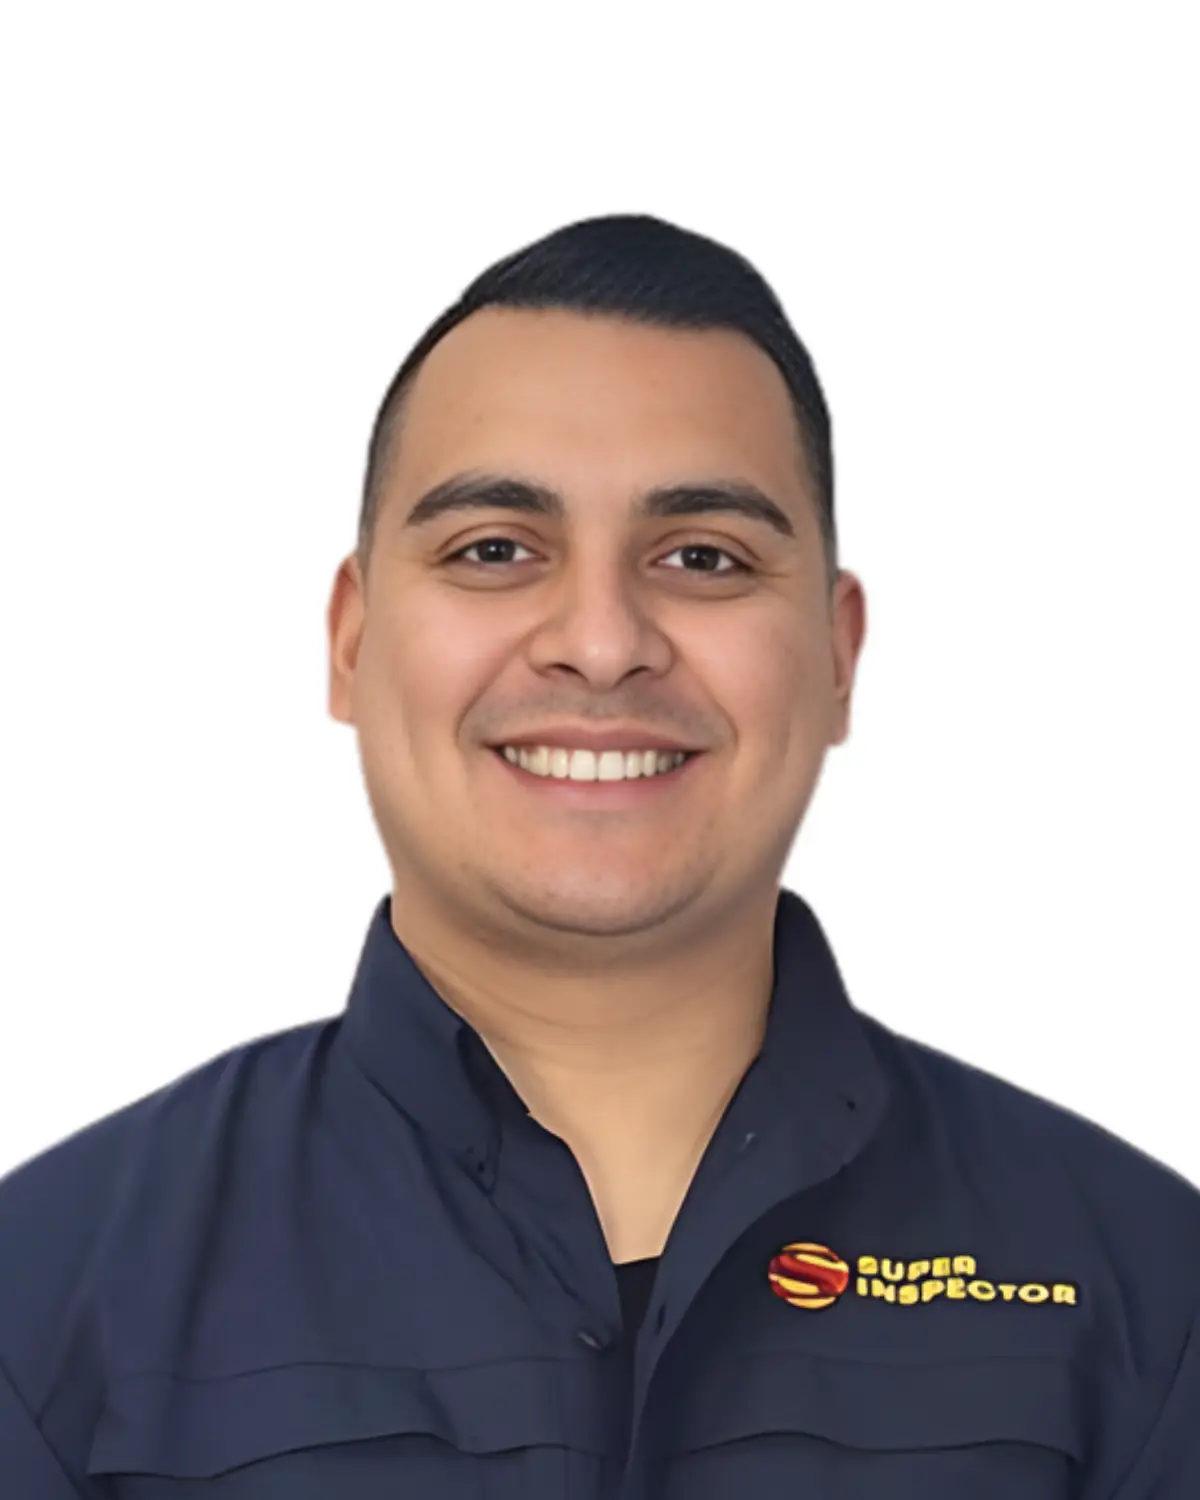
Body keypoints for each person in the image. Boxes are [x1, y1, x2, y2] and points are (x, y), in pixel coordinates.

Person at [1, 214, 1196, 1500]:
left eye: (702, 557)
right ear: (351, 641)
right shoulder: (50, 1307)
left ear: (839, 657)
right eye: (496, 550)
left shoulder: (1145, 1300)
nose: (602, 640)